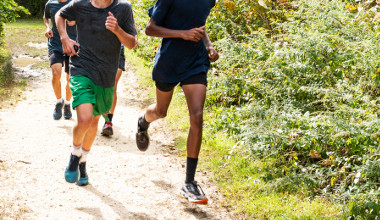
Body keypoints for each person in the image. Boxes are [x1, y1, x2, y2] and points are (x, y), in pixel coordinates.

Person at [135, 0, 219, 204]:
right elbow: (150, 29)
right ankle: (143, 122)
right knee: (161, 111)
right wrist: (182, 33)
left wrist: (208, 44)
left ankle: (189, 182)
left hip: (195, 61)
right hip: (169, 61)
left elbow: (200, 23)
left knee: (197, 116)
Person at [56, 0, 138, 186]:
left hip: (106, 75)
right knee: (84, 119)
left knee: (93, 121)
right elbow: (59, 15)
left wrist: (117, 30)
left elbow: (132, 43)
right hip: (81, 68)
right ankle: (75, 154)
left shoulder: (123, 8)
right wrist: (64, 37)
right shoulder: (80, 4)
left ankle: (83, 162)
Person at [43, 0, 77, 120]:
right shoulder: (50, 3)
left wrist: (76, 21)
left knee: (70, 78)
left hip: (71, 44)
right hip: (55, 44)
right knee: (56, 74)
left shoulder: (75, 3)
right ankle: (59, 102)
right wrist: (48, 27)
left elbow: (86, 18)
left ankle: (67, 103)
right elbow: (46, 17)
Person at [101, 44, 126, 136]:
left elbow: (132, 31)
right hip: (98, 49)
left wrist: (134, 36)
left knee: (113, 84)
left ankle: (108, 121)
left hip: (118, 50)